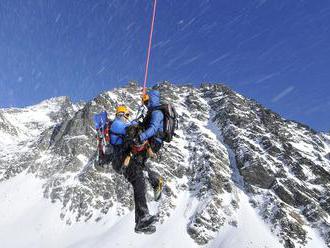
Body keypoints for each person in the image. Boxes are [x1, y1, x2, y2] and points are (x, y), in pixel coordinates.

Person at [110, 105, 158, 233]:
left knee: (140, 184)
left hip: (126, 159)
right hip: (121, 160)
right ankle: (142, 218)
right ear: (122, 114)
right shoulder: (116, 124)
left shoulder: (120, 124)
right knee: (139, 182)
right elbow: (129, 128)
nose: (127, 117)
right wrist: (138, 120)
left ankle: (140, 223)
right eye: (127, 115)